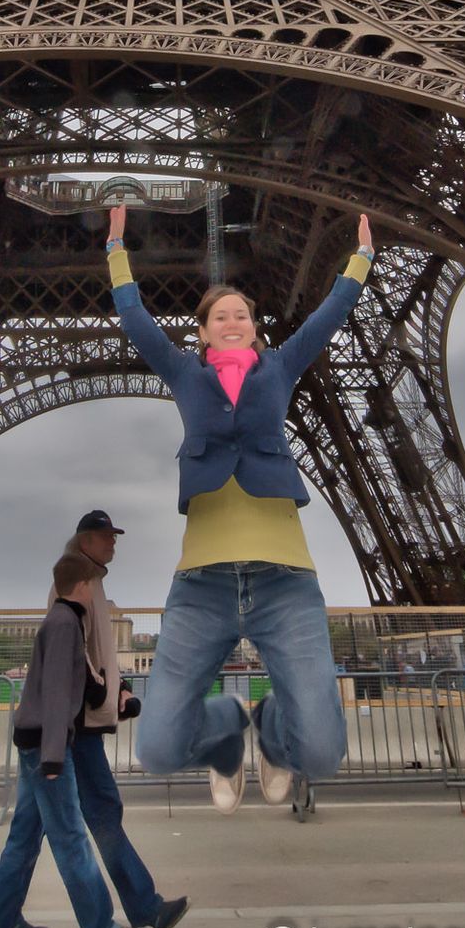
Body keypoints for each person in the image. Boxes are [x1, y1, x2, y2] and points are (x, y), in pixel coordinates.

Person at [106, 202, 374, 813]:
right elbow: (134, 317)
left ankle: (273, 735)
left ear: (255, 328)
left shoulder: (279, 368)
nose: (232, 320)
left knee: (324, 753)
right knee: (158, 750)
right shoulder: (183, 374)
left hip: (285, 580)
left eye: (242, 314)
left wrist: (360, 261)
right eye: (220, 316)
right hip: (202, 584)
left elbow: (330, 317)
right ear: (202, 332)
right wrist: (116, 249)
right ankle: (227, 729)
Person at [0, 554, 153, 928]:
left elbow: (84, 686)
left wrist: (118, 699)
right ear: (84, 586)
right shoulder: (66, 625)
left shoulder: (62, 622)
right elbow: (55, 694)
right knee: (71, 841)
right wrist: (53, 755)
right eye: (94, 585)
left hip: (37, 741)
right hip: (47, 747)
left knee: (22, 842)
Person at [11, 511, 188, 928]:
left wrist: (119, 691)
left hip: (74, 722)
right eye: (108, 537)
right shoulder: (75, 585)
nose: (114, 544)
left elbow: (98, 656)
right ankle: (142, 909)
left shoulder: (90, 581)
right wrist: (102, 697)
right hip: (75, 726)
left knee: (30, 826)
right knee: (102, 811)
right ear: (87, 540)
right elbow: (73, 655)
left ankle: (2, 916)